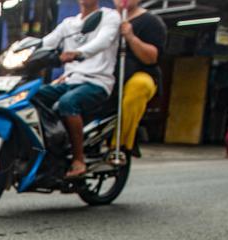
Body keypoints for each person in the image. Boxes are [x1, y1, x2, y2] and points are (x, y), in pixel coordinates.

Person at [33, 0, 121, 178]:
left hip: (96, 82)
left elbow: (103, 41)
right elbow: (46, 42)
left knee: (67, 103)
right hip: (70, 80)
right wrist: (21, 50)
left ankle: (78, 159)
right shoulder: (68, 24)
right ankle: (50, 145)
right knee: (32, 96)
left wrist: (78, 53)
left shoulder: (109, 17)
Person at [113, 0, 167, 159]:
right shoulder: (106, 19)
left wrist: (130, 37)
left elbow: (151, 58)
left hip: (139, 74)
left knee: (138, 86)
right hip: (107, 73)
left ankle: (121, 144)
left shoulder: (151, 22)